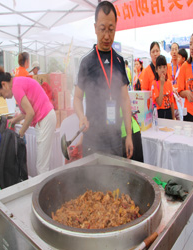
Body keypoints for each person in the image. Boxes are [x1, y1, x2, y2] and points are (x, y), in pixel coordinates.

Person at [73, 1, 133, 158]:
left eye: (111, 30)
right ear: (95, 28)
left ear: (115, 27)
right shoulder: (87, 62)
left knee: (115, 180)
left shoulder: (119, 61)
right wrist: (81, 117)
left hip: (114, 139)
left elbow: (126, 101)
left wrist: (129, 136)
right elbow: (77, 98)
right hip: (92, 139)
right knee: (91, 181)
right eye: (102, 29)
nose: (107, 36)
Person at [0, 67, 56, 175]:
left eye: (2, 94)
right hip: (46, 117)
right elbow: (26, 111)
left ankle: (47, 191)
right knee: (42, 164)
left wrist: (20, 133)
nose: (5, 98)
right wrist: (15, 120)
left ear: (4, 84)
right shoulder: (17, 82)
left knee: (41, 167)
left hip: (45, 119)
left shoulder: (16, 87)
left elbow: (30, 113)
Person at [152, 55, 175, 119]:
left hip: (169, 111)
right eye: (160, 68)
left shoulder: (169, 82)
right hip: (160, 113)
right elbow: (159, 103)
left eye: (164, 67)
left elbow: (172, 101)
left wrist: (173, 117)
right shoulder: (154, 83)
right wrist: (161, 85)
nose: (162, 70)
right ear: (156, 70)